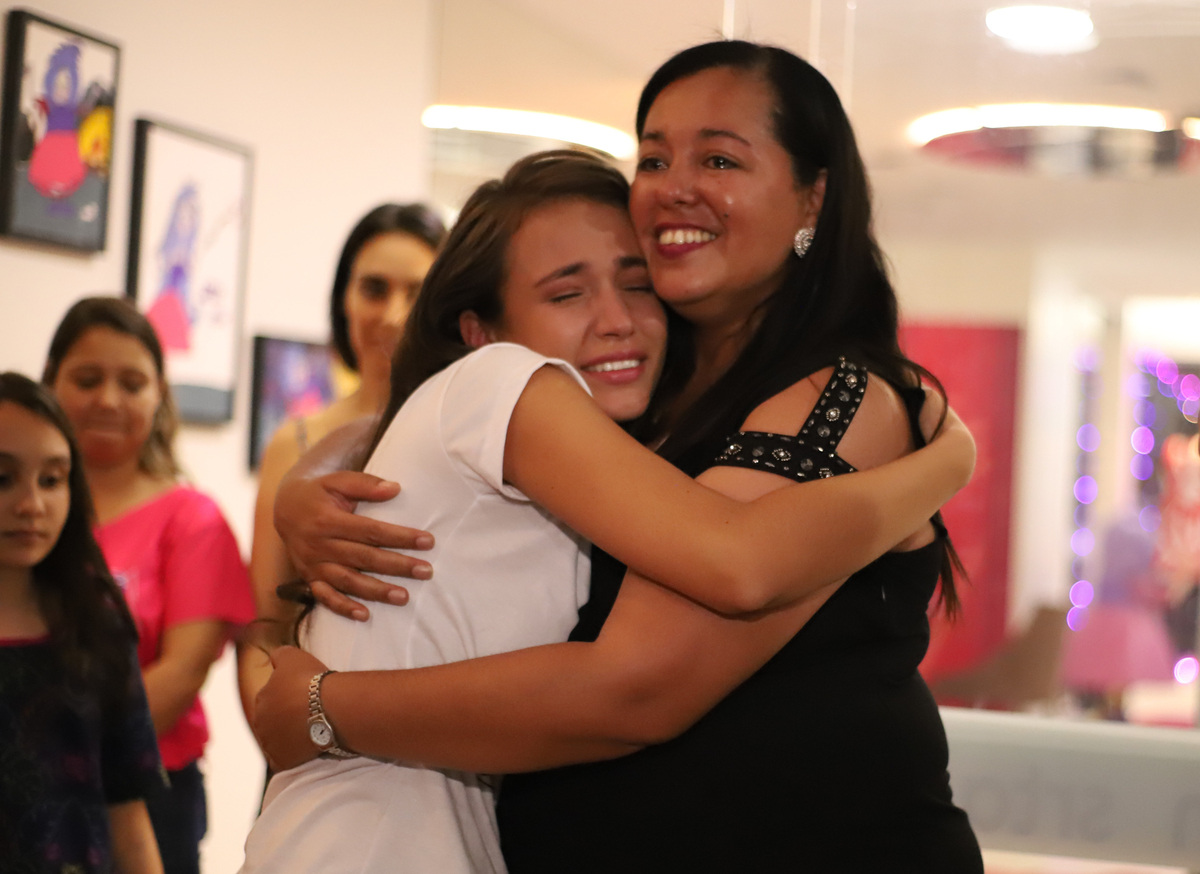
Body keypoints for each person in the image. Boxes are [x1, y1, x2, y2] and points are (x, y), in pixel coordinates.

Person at [260, 42, 984, 871]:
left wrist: (326, 705)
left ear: (812, 196)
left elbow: (644, 680)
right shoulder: (648, 394)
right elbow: (408, 423)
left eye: (720, 159)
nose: (675, 186)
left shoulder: (839, 398)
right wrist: (302, 487)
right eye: (654, 158)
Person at [43, 297, 257, 874]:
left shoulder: (193, 520)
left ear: (160, 393)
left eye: (132, 383)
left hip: (145, 791)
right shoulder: (24, 512)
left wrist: (57, 751)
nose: (109, 400)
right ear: (51, 382)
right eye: (87, 379)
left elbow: (182, 674)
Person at [238, 204, 445, 723]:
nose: (392, 315)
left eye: (416, 293)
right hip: (302, 733)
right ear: (343, 299)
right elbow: (265, 629)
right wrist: (287, 734)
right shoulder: (293, 444)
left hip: (437, 726)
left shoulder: (461, 434)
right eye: (374, 289)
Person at [0, 372, 164, 874]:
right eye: (2, 479)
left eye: (52, 480)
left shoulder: (95, 621)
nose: (31, 505)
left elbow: (127, 810)